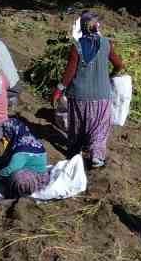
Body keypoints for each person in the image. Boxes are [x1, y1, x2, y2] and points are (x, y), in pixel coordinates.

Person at [51, 10, 124, 168]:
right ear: (97, 26)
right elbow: (119, 65)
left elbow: (70, 72)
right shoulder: (106, 43)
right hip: (101, 95)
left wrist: (59, 90)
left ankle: (74, 152)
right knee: (99, 126)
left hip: (78, 95)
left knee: (78, 126)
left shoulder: (76, 46)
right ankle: (96, 156)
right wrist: (112, 74)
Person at [0, 118, 49, 197]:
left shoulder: (21, 150)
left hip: (35, 177)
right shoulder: (25, 139)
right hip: (38, 171)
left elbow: (10, 169)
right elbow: (6, 156)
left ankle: (19, 193)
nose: (5, 137)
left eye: (6, 133)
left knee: (16, 177)